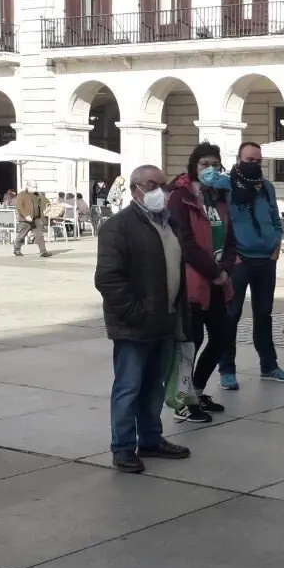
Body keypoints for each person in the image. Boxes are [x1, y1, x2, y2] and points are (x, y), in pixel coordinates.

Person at [94, 165, 192, 474]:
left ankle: (150, 438)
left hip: (165, 320)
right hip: (134, 325)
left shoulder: (169, 223)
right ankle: (123, 447)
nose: (158, 192)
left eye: (163, 185)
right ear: (135, 188)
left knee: (154, 387)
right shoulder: (118, 226)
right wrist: (136, 313)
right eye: (151, 185)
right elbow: (108, 279)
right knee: (129, 387)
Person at [165, 144, 236, 423]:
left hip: (219, 280)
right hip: (193, 281)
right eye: (205, 163)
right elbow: (184, 241)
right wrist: (213, 271)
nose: (211, 169)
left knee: (221, 338)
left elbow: (231, 238)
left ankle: (195, 390)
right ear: (194, 166)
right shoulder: (180, 197)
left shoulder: (219, 196)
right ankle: (182, 400)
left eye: (215, 164)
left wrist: (226, 269)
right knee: (189, 343)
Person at [218, 142, 284, 389]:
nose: (254, 164)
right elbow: (222, 221)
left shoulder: (267, 187)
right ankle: (227, 370)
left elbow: (274, 218)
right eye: (249, 159)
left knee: (264, 315)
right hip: (240, 260)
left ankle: (269, 366)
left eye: (258, 160)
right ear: (239, 159)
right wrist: (232, 255)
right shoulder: (226, 186)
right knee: (231, 315)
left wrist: (275, 246)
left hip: (265, 260)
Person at [13, 182, 51, 258]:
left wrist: (48, 207)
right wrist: (26, 215)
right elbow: (19, 206)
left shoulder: (38, 195)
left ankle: (43, 251)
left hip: (36, 219)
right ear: (28, 186)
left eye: (36, 187)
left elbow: (45, 202)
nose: (35, 189)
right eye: (33, 187)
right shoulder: (22, 195)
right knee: (21, 235)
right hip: (25, 220)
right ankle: (17, 250)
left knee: (39, 235)